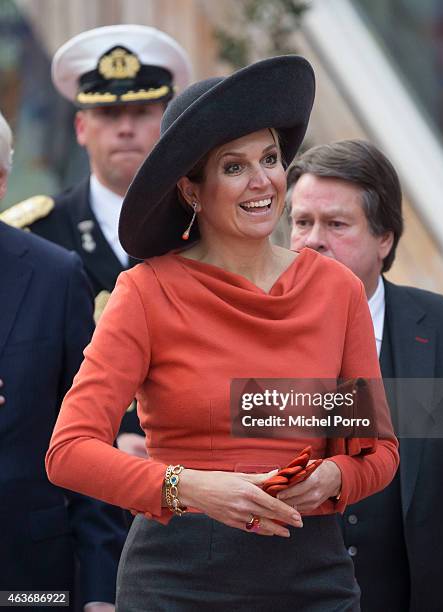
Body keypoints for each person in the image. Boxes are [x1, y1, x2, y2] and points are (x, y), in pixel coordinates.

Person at [46, 56, 399, 611]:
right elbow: (69, 451)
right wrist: (191, 489)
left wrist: (333, 476)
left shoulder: (336, 290)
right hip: (178, 581)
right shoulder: (145, 292)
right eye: (233, 167)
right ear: (191, 188)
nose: (262, 181)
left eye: (271, 159)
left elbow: (376, 452)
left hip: (315, 577)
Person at [287, 139, 443, 612]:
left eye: (336, 224)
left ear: (385, 238)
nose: (313, 240)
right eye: (301, 222)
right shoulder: (247, 334)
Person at [2, 24, 192, 456]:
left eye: (143, 111)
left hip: (195, 484)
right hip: (65, 488)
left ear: (168, 123)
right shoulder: (30, 236)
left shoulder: (208, 230)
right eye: (108, 115)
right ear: (81, 127)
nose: (125, 128)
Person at [0, 111, 126, 611]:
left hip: (29, 586)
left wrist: (100, 593)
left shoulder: (55, 275)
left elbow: (90, 440)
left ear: (2, 179)